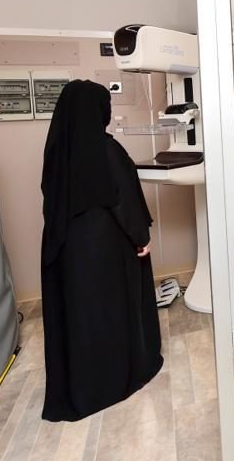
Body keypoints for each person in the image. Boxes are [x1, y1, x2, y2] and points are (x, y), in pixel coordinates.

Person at [39, 80, 163, 421]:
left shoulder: (58, 150)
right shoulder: (106, 150)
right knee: (109, 313)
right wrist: (141, 237)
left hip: (67, 251)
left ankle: (84, 384)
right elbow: (121, 200)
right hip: (104, 248)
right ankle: (115, 376)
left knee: (82, 317)